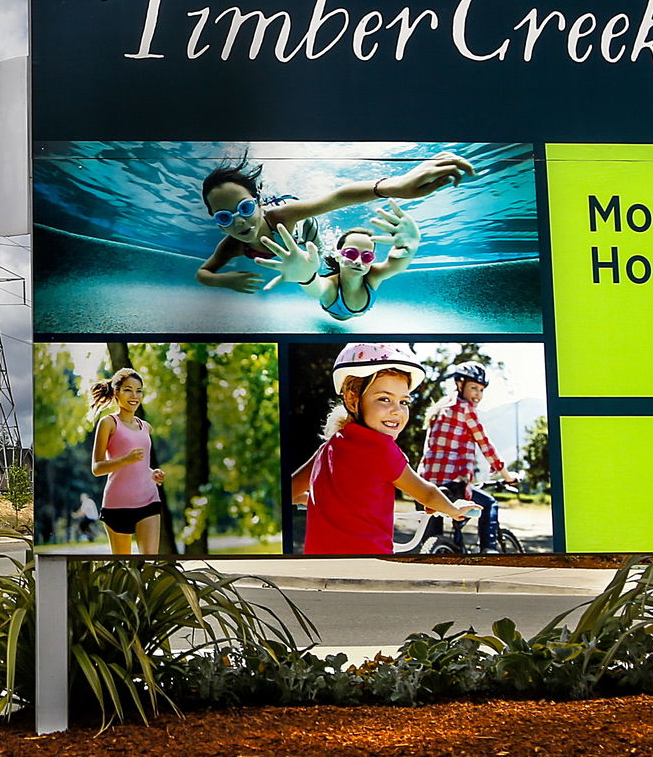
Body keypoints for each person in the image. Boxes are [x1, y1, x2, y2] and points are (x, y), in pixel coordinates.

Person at [194, 149, 474, 293]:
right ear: (216, 221)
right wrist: (224, 280)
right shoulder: (232, 245)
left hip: (308, 236)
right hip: (293, 255)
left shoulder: (282, 215)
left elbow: (337, 197)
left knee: (327, 263)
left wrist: (395, 185)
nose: (239, 222)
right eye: (224, 216)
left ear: (258, 201)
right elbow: (203, 273)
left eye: (245, 207)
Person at [290, 343, 473, 556]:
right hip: (368, 566)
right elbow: (428, 494)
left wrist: (314, 500)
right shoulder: (382, 450)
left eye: (403, 401)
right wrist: (454, 510)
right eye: (384, 399)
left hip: (319, 564)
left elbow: (290, 490)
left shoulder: (327, 448)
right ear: (352, 399)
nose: (397, 411)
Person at [264, 205, 422, 320]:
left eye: (367, 256)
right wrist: (306, 277)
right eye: (351, 254)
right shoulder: (331, 287)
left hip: (355, 312)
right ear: (338, 256)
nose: (359, 261)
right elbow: (317, 288)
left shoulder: (372, 276)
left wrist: (411, 246)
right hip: (335, 315)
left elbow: (395, 265)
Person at [422, 362, 509, 554]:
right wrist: (506, 474)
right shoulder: (464, 408)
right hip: (452, 484)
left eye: (481, 390)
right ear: (460, 385)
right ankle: (489, 552)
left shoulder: (440, 409)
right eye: (474, 388)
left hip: (425, 485)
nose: (478, 394)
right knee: (489, 504)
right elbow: (484, 443)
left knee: (431, 540)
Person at [87, 366, 167, 555]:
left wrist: (152, 473)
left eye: (139, 391)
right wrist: (125, 460)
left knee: (149, 563)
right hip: (117, 504)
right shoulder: (108, 423)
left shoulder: (146, 427)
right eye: (128, 390)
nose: (134, 396)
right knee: (123, 567)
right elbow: (97, 468)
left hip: (148, 499)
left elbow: (141, 465)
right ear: (117, 393)